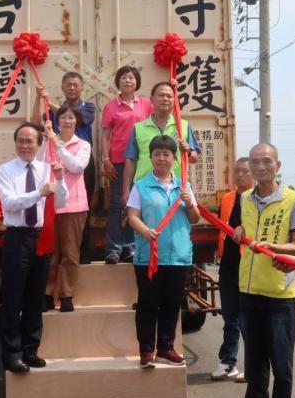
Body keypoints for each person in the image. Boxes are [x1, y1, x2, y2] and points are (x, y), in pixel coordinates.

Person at [226, 144, 295, 398]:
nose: (260, 167)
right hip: (249, 293)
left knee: (282, 369)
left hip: (278, 296)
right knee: (254, 366)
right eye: (255, 162)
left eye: (266, 161)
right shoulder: (245, 199)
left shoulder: (293, 199)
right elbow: (240, 228)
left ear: (277, 165)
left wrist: (272, 246)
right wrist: (240, 229)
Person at [0, 122, 68, 373]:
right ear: (15, 143)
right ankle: (11, 354)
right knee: (13, 297)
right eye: (21, 140)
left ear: (39, 145)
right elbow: (10, 203)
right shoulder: (6, 170)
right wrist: (39, 192)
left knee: (36, 297)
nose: (25, 145)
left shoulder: (47, 169)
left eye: (31, 141)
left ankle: (31, 350)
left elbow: (60, 200)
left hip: (42, 236)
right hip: (17, 237)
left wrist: (59, 179)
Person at [126, 135, 201, 368]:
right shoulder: (140, 186)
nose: (161, 158)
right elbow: (132, 217)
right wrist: (145, 231)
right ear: (150, 157)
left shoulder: (184, 186)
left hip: (178, 256)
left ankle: (166, 348)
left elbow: (195, 219)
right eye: (157, 154)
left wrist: (189, 203)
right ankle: (146, 351)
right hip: (149, 256)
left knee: (171, 304)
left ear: (174, 158)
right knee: (148, 304)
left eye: (166, 154)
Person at [36, 71, 97, 263]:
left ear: (82, 88)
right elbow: (36, 122)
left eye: (76, 84)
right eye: (68, 84)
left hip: (81, 161)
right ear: (62, 87)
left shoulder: (88, 107)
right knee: (56, 208)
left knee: (82, 208)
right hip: (57, 162)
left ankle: (82, 253)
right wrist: (39, 98)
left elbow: (79, 118)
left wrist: (54, 105)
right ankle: (55, 256)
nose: (72, 88)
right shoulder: (54, 111)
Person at [100, 65, 154, 264]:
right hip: (118, 162)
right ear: (118, 82)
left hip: (142, 162)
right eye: (123, 77)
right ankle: (113, 249)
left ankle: (131, 248)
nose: (127, 81)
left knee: (136, 206)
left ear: (137, 81)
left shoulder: (147, 104)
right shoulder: (111, 106)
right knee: (117, 205)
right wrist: (106, 160)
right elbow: (105, 136)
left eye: (131, 77)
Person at [121, 81, 200, 209]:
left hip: (175, 188)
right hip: (144, 188)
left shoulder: (183, 126)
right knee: (143, 227)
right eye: (161, 95)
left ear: (174, 100)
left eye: (169, 96)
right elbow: (130, 160)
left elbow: (194, 158)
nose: (165, 99)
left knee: (173, 226)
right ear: (152, 99)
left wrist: (188, 152)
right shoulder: (139, 128)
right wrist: (126, 191)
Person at [44, 106, 91, 312]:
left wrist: (59, 145)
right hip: (50, 204)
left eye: (71, 117)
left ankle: (66, 295)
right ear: (56, 121)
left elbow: (76, 167)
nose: (67, 120)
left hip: (74, 206)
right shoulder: (46, 143)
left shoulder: (83, 145)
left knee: (70, 253)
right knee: (50, 252)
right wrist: (50, 142)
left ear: (77, 122)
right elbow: (38, 167)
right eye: (63, 117)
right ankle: (47, 293)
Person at [211, 158, 253, 382]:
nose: (240, 175)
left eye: (245, 171)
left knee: (247, 318)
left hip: (248, 265)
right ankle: (228, 361)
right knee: (230, 317)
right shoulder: (227, 198)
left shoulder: (258, 199)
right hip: (227, 265)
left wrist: (244, 228)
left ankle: (253, 364)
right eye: (238, 171)